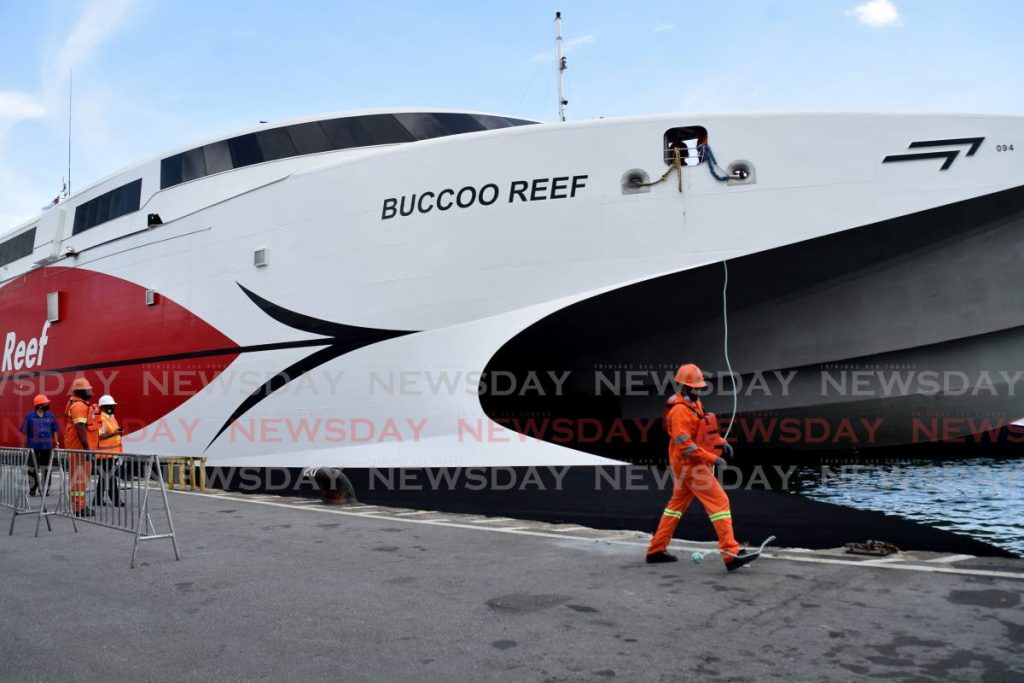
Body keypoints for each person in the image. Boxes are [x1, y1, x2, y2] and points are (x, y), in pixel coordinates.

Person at [645, 363, 759, 571]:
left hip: (686, 466)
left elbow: (704, 430)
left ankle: (655, 550)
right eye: (694, 387)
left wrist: (721, 443)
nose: (698, 391)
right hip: (690, 466)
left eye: (699, 387)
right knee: (720, 502)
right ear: (683, 387)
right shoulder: (679, 411)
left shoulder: (694, 404)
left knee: (675, 507)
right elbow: (686, 446)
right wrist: (713, 459)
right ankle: (730, 554)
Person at [64, 378, 100, 517]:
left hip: (80, 449)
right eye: (88, 389)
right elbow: (80, 428)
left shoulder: (81, 405)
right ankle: (79, 508)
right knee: (79, 481)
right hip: (79, 449)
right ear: (81, 391)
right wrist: (86, 448)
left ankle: (79, 506)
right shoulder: (79, 407)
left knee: (81, 480)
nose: (91, 391)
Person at [19, 394, 60, 496]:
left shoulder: (50, 416)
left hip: (47, 446)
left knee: (46, 468)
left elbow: (55, 430)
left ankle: (45, 489)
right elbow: (24, 432)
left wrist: (56, 443)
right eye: (46, 403)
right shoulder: (29, 417)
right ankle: (33, 488)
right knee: (31, 468)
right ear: (40, 405)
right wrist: (23, 447)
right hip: (33, 447)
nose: (48, 405)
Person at [93, 394, 124, 507]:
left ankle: (97, 499)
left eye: (112, 405)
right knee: (110, 478)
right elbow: (98, 436)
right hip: (103, 454)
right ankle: (116, 500)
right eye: (109, 406)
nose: (111, 407)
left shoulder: (112, 418)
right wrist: (115, 433)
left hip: (113, 454)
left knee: (105, 478)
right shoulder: (100, 419)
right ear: (102, 407)